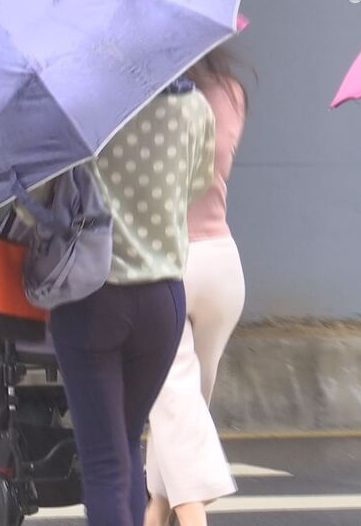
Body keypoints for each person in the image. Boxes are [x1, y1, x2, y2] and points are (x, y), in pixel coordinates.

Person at [43, 76, 216, 526]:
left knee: (104, 461)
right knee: (125, 441)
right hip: (164, 299)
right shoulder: (194, 105)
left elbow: (44, 204)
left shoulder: (82, 108)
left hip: (92, 296)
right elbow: (195, 187)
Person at [144, 48, 248, 526]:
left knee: (176, 415)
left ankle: (190, 519)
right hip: (223, 267)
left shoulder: (150, 98)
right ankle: (156, 511)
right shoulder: (231, 93)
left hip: (167, 264)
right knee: (180, 416)